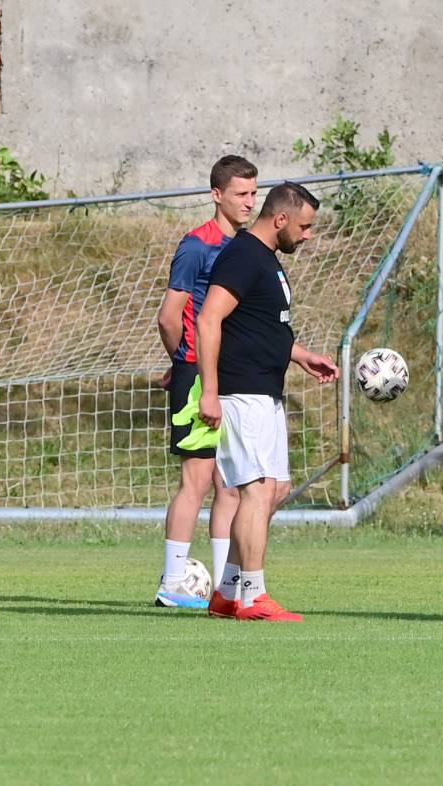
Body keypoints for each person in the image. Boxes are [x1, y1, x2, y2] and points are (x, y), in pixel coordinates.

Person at [196, 181, 338, 622]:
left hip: (265, 391)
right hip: (242, 392)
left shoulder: (266, 259)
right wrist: (210, 391)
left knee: (274, 489)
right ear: (280, 219)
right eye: (304, 226)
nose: (308, 235)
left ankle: (227, 592)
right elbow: (208, 320)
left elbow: (260, 327)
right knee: (255, 491)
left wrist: (301, 356)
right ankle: (253, 595)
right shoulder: (243, 256)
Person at [153, 155, 257, 608]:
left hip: (229, 374)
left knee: (229, 484)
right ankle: (173, 582)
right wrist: (182, 363)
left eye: (253, 193)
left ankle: (222, 588)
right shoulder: (197, 246)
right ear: (217, 195)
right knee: (195, 479)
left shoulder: (247, 248)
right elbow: (168, 316)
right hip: (198, 373)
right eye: (240, 193)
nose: (249, 202)